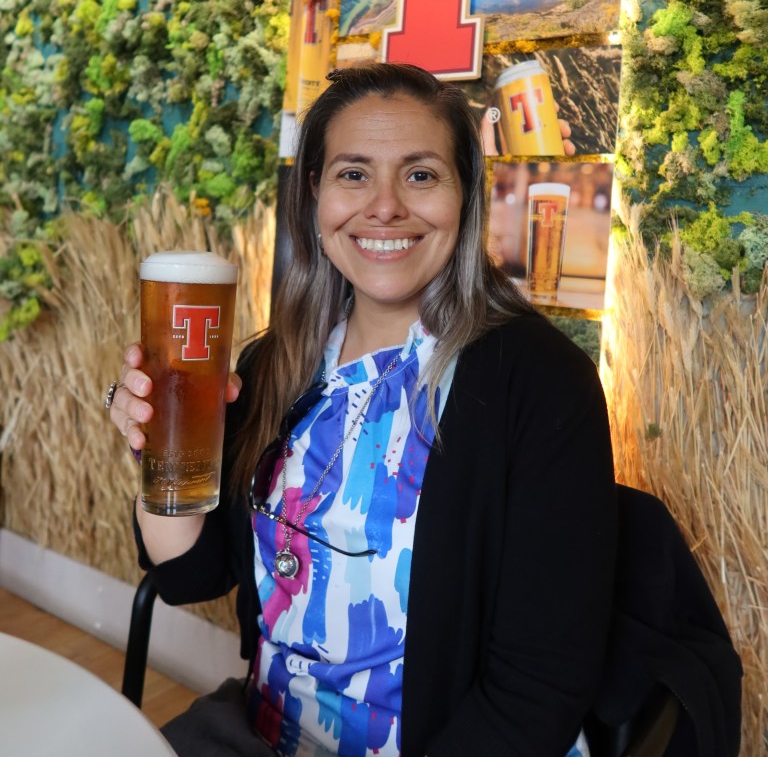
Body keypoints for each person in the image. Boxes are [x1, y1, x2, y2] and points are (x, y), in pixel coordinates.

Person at [109, 62, 617, 757]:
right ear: (314, 195)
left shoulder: (541, 382)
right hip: (266, 732)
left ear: (465, 195)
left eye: (420, 175)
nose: (384, 207)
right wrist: (159, 451)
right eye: (353, 174)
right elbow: (187, 576)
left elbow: (539, 690)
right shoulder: (275, 363)